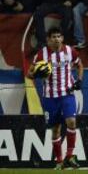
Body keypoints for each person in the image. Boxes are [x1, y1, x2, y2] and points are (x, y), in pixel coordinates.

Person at [26, 27, 84, 170]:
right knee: (56, 129)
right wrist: (37, 74)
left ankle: (69, 156)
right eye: (53, 37)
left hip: (67, 94)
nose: (56, 39)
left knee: (71, 121)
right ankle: (59, 161)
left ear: (62, 38)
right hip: (50, 97)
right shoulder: (41, 54)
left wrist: (79, 80)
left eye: (59, 36)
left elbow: (79, 65)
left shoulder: (70, 51)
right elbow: (29, 73)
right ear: (48, 40)